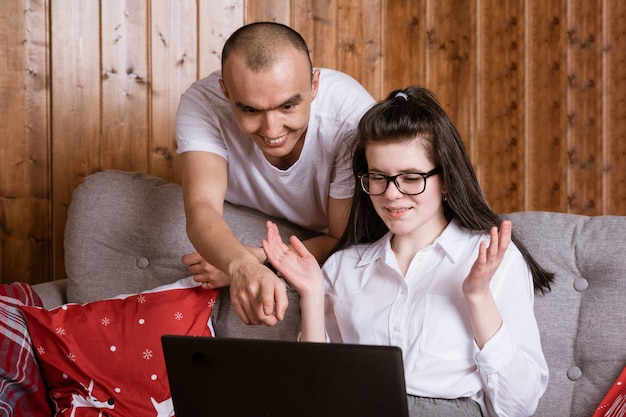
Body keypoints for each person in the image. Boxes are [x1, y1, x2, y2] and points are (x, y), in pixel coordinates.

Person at [262, 86, 553, 417]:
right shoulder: (343, 268)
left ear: (446, 179)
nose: (392, 195)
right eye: (378, 178)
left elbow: (520, 406)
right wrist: (312, 296)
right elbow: (312, 396)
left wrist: (478, 296)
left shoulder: (491, 258)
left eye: (412, 178)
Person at [175, 22, 375, 326]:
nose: (272, 131)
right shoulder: (202, 104)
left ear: (314, 86)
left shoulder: (350, 114)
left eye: (288, 106)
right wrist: (239, 263)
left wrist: (260, 260)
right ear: (225, 93)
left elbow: (341, 238)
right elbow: (201, 206)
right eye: (251, 111)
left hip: (330, 236)